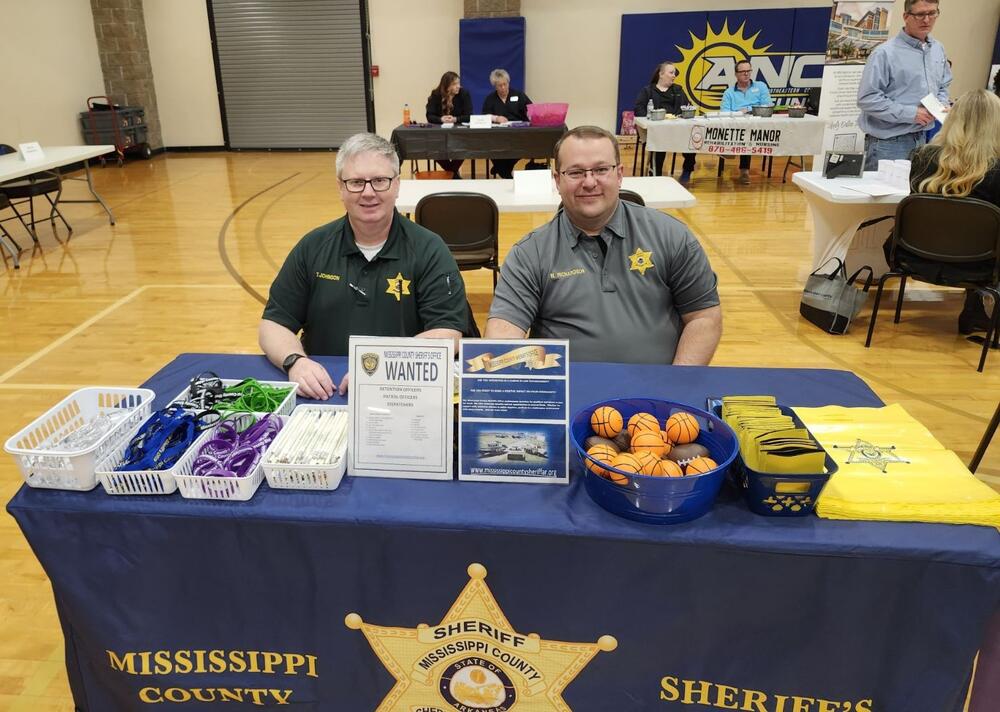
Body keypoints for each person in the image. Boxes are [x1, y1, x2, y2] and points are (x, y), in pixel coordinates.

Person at [484, 126, 722, 365]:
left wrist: (675, 386)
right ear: (557, 180)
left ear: (619, 174)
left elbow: (704, 318)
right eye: (575, 172)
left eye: (600, 169)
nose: (589, 182)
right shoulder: (529, 253)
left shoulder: (671, 235)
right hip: (568, 397)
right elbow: (503, 331)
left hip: (655, 396)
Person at [259, 133, 469, 399]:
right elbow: (273, 324)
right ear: (340, 187)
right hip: (326, 391)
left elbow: (448, 332)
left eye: (380, 181)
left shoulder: (429, 249)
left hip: (402, 391)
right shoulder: (313, 247)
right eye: (356, 182)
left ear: (397, 185)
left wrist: (379, 369)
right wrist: (295, 361)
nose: (368, 192)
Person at [884, 89, 1000, 335]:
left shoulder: (922, 158)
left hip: (915, 257)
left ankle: (977, 309)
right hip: (981, 265)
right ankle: (979, 310)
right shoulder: (996, 170)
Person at [857, 0, 951, 171]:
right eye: (920, 14)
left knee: (912, 196)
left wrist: (941, 105)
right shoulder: (884, 53)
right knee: (885, 197)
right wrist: (912, 114)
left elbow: (943, 84)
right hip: (888, 144)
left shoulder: (938, 48)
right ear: (906, 16)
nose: (927, 20)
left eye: (932, 13)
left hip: (923, 139)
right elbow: (867, 98)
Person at [633, 61, 696, 185]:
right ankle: (656, 175)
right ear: (661, 74)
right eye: (671, 72)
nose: (674, 75)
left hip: (677, 129)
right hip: (657, 131)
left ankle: (687, 170)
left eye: (675, 73)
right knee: (659, 143)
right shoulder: (648, 91)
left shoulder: (678, 90)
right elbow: (638, 109)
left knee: (691, 140)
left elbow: (687, 106)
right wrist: (653, 117)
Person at [720, 59, 772, 184]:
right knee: (743, 133)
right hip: (736, 126)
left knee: (748, 134)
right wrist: (739, 113)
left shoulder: (761, 86)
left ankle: (744, 171)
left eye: (748, 71)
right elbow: (725, 111)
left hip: (758, 125)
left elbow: (767, 105)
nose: (746, 74)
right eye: (743, 71)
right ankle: (738, 165)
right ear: (736, 74)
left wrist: (747, 110)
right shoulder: (729, 93)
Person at [481, 68, 532, 179]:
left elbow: (531, 109)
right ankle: (504, 171)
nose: (503, 88)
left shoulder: (519, 95)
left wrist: (530, 116)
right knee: (494, 151)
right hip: (498, 137)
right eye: (500, 85)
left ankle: (501, 168)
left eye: (505, 84)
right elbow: (484, 116)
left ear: (508, 83)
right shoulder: (490, 99)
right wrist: (496, 117)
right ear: (495, 86)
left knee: (518, 150)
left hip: (518, 136)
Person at [425, 71, 473, 178]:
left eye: (458, 83)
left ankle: (451, 173)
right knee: (434, 149)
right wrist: (441, 119)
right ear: (447, 86)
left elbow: (469, 116)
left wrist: (456, 119)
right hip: (440, 134)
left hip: (459, 134)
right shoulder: (436, 94)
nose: (458, 86)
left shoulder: (464, 94)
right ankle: (454, 173)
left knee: (462, 148)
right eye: (455, 84)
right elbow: (429, 116)